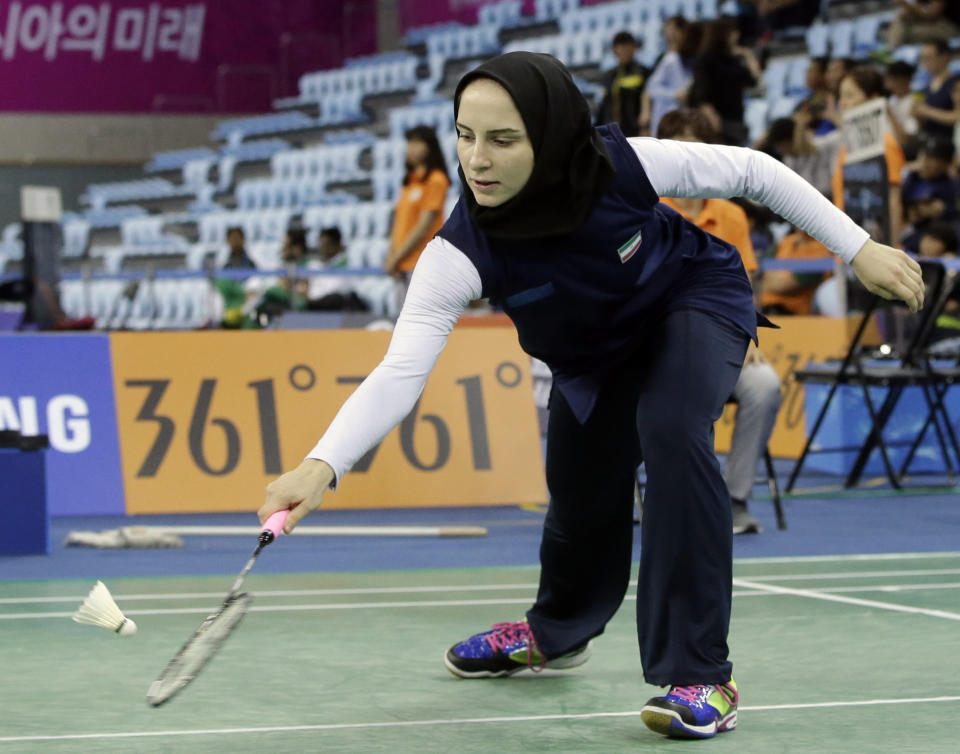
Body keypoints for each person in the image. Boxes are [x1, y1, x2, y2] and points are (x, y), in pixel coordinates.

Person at [258, 53, 923, 741]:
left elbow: (751, 170)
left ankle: (700, 673)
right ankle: (557, 631)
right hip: (593, 359)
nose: (477, 160)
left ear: (548, 134)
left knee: (671, 430)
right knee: (576, 495)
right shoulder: (462, 249)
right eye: (464, 135)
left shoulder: (620, 164)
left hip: (690, 299)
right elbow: (401, 370)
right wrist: (321, 464)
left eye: (502, 139)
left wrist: (859, 247)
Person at [657, 108, 781, 535]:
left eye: (695, 147)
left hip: (719, 348)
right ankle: (657, 496)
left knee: (765, 386)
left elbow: (744, 289)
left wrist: (746, 341)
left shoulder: (732, 216)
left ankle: (734, 499)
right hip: (658, 351)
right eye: (677, 148)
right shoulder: (645, 211)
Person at [831, 66, 907, 246]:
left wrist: (893, 246)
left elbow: (893, 201)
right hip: (845, 247)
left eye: (850, 96)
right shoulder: (847, 147)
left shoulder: (885, 144)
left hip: (875, 249)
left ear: (873, 99)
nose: (843, 103)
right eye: (841, 96)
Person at [385, 125, 451, 306]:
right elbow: (398, 223)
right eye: (409, 143)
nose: (410, 149)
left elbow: (423, 227)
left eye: (416, 143)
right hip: (403, 264)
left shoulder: (436, 179)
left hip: (422, 264)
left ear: (430, 147)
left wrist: (395, 258)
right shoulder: (409, 181)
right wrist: (392, 255)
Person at [687, 17, 761, 145]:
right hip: (716, 120)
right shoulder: (705, 60)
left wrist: (748, 54)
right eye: (733, 32)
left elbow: (754, 79)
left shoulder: (733, 60)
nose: (737, 36)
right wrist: (713, 119)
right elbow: (701, 95)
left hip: (735, 119)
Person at [901, 138, 959, 252]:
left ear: (946, 164)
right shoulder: (913, 178)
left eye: (933, 158)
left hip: (937, 237)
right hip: (909, 234)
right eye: (925, 155)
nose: (925, 161)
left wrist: (943, 210)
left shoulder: (951, 186)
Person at [760, 230, 833, 315]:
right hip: (762, 308)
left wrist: (766, 281)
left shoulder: (824, 250)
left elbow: (786, 285)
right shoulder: (785, 241)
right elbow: (755, 276)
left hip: (791, 312)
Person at [596, 31, 649, 138]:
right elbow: (604, 106)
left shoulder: (644, 72)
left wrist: (645, 127)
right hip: (611, 134)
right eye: (620, 46)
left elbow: (648, 100)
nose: (624, 50)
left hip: (636, 133)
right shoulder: (609, 76)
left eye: (627, 46)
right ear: (615, 50)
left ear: (634, 48)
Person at [912, 41, 960, 145]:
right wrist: (918, 116)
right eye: (923, 58)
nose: (926, 62)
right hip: (929, 140)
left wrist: (927, 111)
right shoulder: (926, 87)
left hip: (949, 142)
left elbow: (958, 116)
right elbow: (922, 125)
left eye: (929, 58)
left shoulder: (956, 84)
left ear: (945, 57)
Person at [887, 0, 960, 48]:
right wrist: (906, 11)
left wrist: (906, 5)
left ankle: (892, 50)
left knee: (908, 33)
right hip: (934, 24)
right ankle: (891, 48)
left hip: (950, 27)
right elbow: (916, 8)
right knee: (900, 19)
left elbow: (933, 16)